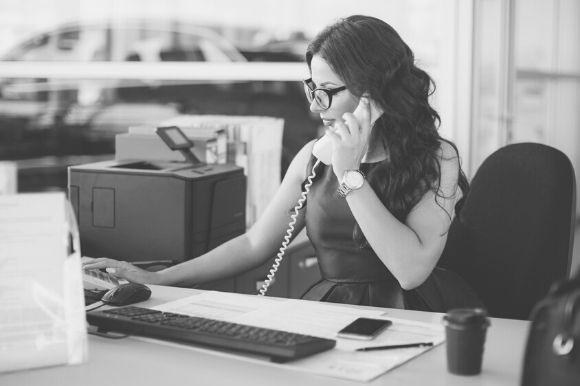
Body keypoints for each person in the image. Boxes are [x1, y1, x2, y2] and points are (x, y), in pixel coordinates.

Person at [83, 15, 482, 312]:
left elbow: (410, 271)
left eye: (326, 91)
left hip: (417, 315)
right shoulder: (313, 157)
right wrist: (158, 278)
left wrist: (349, 174)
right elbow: (255, 244)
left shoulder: (436, 158)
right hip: (335, 309)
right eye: (311, 88)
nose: (313, 106)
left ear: (373, 93)